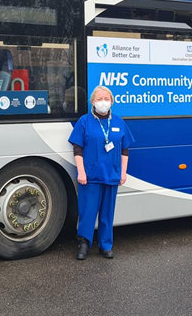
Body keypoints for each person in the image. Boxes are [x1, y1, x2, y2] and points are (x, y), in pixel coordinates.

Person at [67, 85, 134, 260]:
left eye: (106, 99)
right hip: (89, 177)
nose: (103, 102)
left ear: (112, 101)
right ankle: (84, 244)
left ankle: (105, 245)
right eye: (99, 99)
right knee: (87, 212)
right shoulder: (84, 121)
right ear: (92, 102)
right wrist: (81, 172)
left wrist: (123, 173)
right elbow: (77, 148)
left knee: (107, 213)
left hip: (111, 175)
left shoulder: (119, 122)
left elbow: (125, 150)